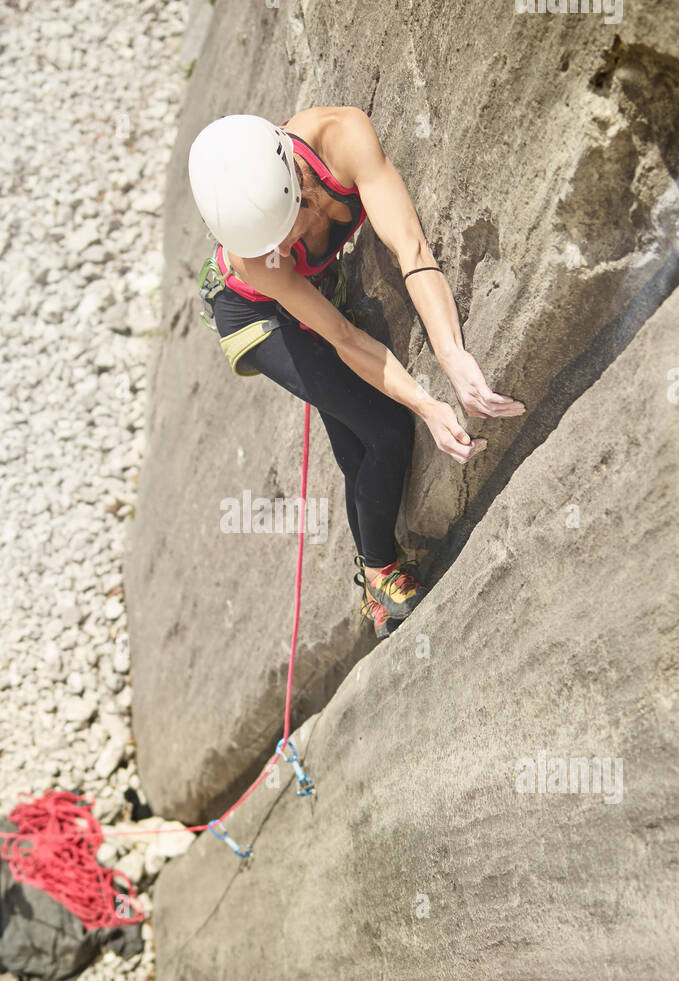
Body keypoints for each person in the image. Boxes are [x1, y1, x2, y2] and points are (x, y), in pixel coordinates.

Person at [189, 108, 525, 637]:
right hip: (254, 313)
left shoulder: (342, 138)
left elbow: (411, 248)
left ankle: (376, 569)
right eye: (268, 246)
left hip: (311, 293)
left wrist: (452, 354)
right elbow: (343, 339)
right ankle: (379, 572)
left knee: (364, 438)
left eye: (284, 231)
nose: (279, 250)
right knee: (386, 427)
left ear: (296, 184)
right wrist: (428, 405)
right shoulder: (258, 260)